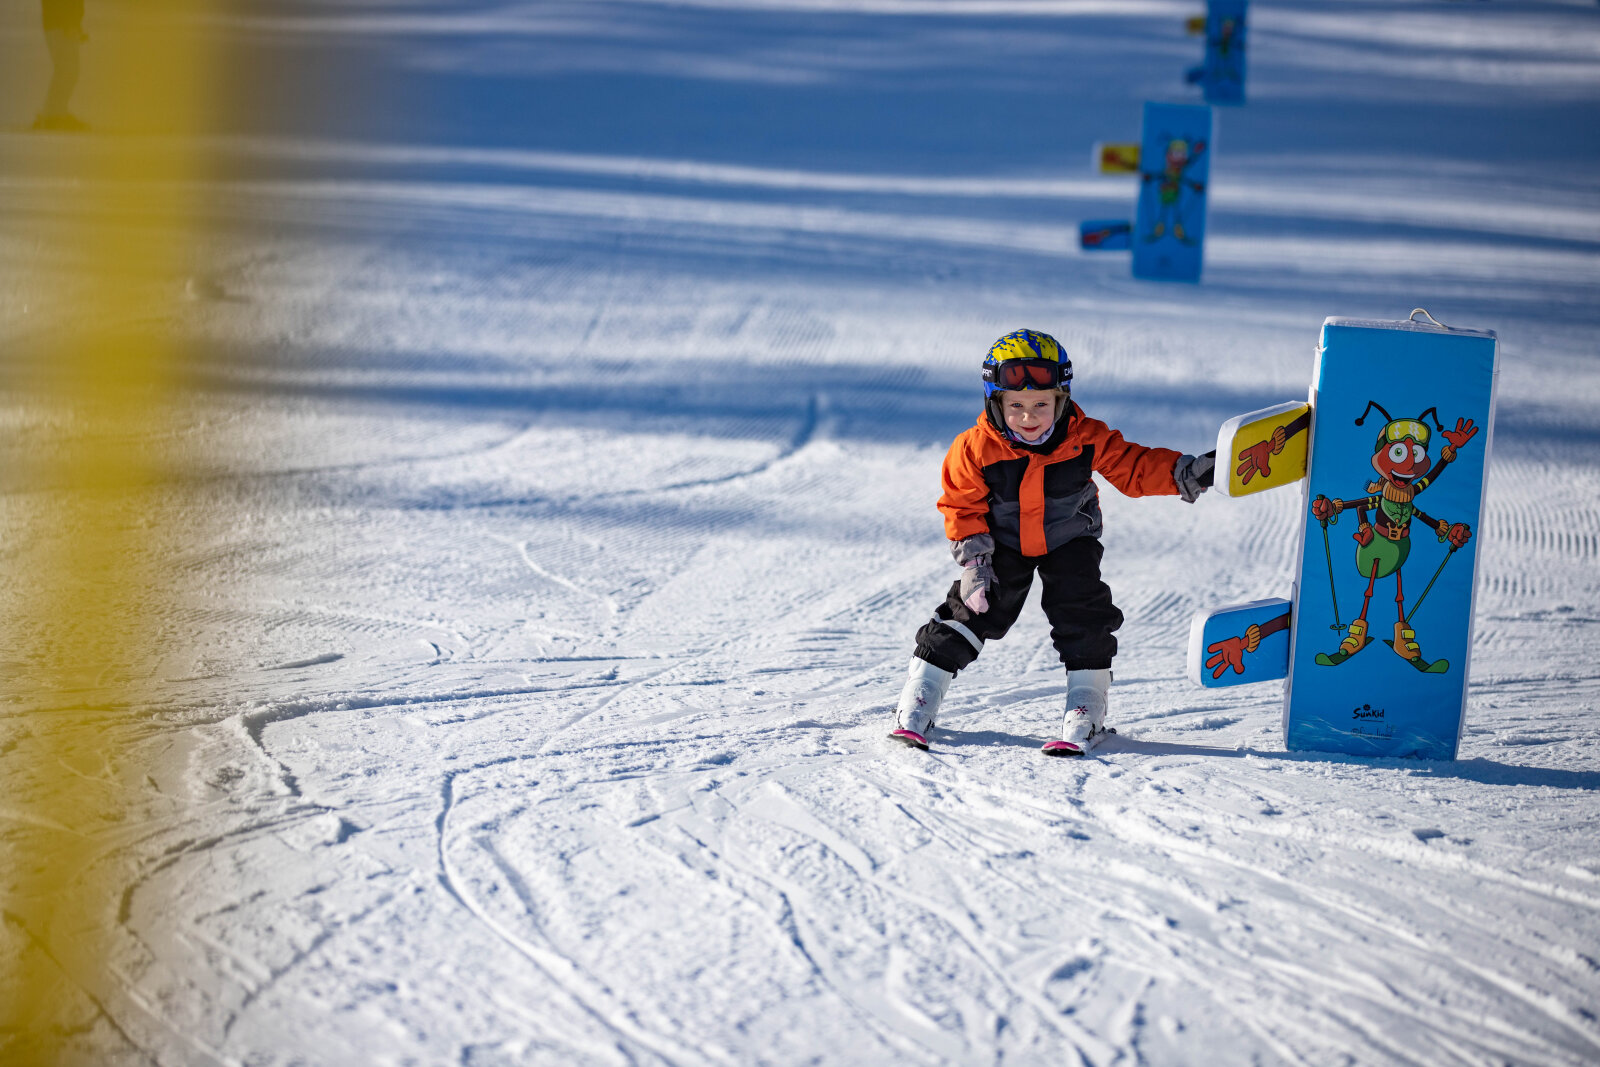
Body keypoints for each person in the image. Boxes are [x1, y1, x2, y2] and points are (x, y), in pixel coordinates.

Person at [889, 329, 1214, 755]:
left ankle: (1086, 703)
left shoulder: (1085, 436)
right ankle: (920, 694)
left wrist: (1185, 473)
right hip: (1000, 547)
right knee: (973, 610)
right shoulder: (974, 448)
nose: (1029, 416)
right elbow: (960, 504)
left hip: (1070, 541)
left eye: (1041, 404)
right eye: (1016, 405)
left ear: (1060, 400)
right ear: (996, 401)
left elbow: (1133, 466)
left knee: (1082, 609)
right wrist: (976, 565)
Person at [34, 0, 89, 132]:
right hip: (60, 25)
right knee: (67, 71)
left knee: (67, 71)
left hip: (61, 24)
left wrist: (75, 25)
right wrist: (69, 24)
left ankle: (55, 113)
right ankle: (53, 116)